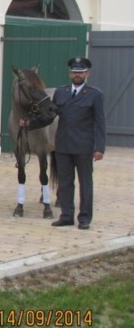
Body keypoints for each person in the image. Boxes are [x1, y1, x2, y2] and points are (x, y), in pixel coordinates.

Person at [50, 57, 106, 230]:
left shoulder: (95, 94)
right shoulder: (61, 92)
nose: (77, 75)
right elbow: (50, 115)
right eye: (74, 72)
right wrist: (29, 123)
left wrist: (99, 148)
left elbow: (100, 123)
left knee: (85, 183)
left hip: (83, 146)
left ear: (87, 74)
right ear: (70, 73)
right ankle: (66, 216)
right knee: (65, 182)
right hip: (63, 145)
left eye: (80, 72)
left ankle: (84, 218)